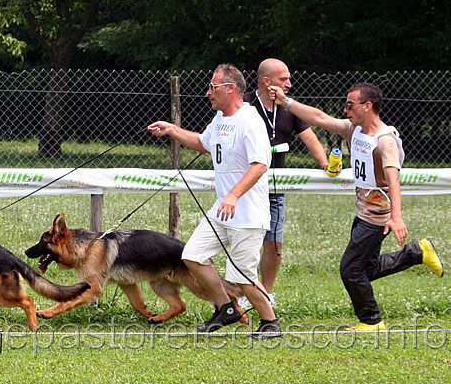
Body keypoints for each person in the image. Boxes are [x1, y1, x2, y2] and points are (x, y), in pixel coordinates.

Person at [269, 82, 444, 331]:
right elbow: (319, 118)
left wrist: (396, 217)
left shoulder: (385, 141)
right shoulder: (354, 129)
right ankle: (417, 252)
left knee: (350, 269)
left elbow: (393, 179)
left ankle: (371, 319)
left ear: (368, 106)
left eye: (350, 105)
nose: (346, 109)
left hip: (377, 216)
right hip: (363, 212)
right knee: (366, 268)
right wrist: (286, 103)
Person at [148, 63, 282, 338]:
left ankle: (270, 323)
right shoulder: (220, 119)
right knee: (193, 256)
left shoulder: (250, 120)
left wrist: (234, 194)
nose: (208, 92)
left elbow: (259, 165)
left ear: (230, 89)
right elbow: (202, 142)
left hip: (247, 213)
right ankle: (225, 307)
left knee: (242, 276)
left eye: (213, 87)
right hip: (222, 209)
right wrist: (171, 129)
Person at [241, 59, 332, 308]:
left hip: (275, 189)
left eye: (289, 79)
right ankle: (242, 291)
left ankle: (266, 293)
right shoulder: (243, 104)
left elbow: (310, 137)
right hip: (245, 188)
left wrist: (325, 164)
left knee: (274, 242)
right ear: (266, 82)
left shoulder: (289, 108)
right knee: (242, 240)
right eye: (284, 80)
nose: (289, 84)